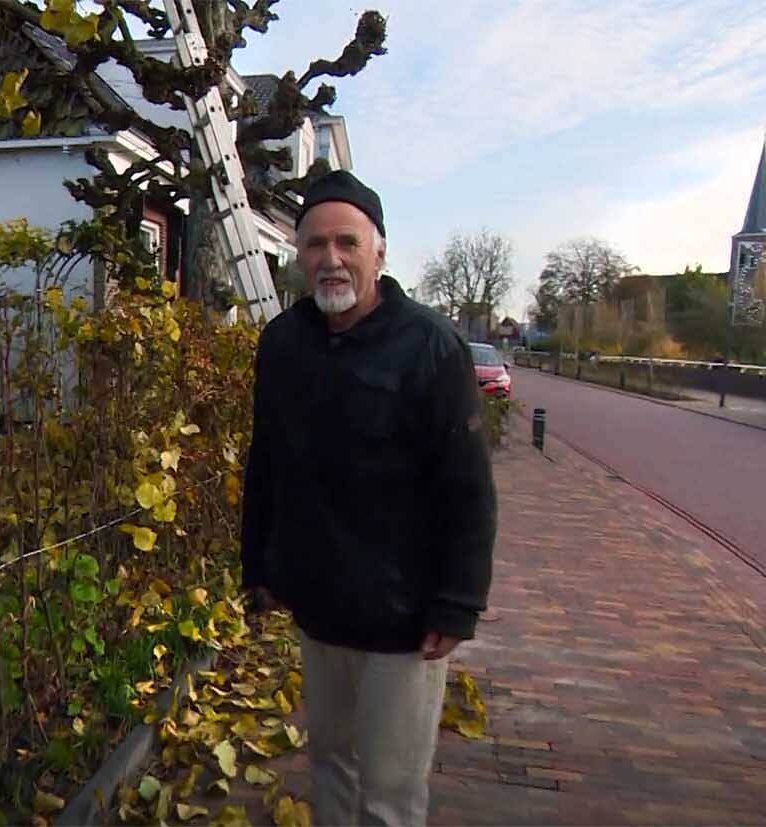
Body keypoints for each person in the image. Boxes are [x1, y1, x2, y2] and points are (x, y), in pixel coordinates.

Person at [240, 170, 497, 827]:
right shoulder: (283, 344)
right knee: (330, 764)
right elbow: (265, 463)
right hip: (319, 607)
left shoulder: (431, 347)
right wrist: (260, 568)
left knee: (388, 792)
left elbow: (466, 486)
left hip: (404, 619)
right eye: (316, 244)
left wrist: (457, 601)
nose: (331, 259)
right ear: (297, 255)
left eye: (347, 243)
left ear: (379, 252)